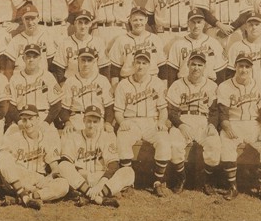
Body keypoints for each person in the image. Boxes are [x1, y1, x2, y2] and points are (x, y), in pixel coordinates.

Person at [216, 52, 261, 201]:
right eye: (241, 66)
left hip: (253, 124)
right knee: (226, 143)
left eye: (247, 66)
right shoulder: (224, 86)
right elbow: (222, 112)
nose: (244, 70)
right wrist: (226, 126)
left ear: (251, 68)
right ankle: (233, 187)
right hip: (233, 122)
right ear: (235, 67)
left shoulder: (260, 86)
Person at [113, 50, 171, 197]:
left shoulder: (157, 83)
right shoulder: (123, 84)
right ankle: (128, 183)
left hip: (152, 121)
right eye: (138, 62)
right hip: (131, 121)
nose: (140, 66)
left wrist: (161, 121)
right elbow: (118, 111)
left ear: (149, 65)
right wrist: (121, 122)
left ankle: (158, 182)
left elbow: (163, 109)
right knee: (122, 139)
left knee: (164, 140)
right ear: (133, 64)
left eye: (144, 63)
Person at [166, 51, 221, 195]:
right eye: (193, 64)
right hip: (183, 120)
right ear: (188, 65)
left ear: (204, 67)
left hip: (204, 120)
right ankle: (181, 177)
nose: (196, 68)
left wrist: (212, 125)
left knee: (214, 145)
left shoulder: (212, 86)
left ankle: (207, 180)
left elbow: (215, 111)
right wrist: (180, 125)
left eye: (200, 65)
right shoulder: (177, 84)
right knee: (173, 144)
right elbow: (171, 111)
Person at [0, 105, 69, 210]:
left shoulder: (47, 138)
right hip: (20, 178)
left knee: (64, 185)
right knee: (3, 156)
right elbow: (5, 164)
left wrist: (48, 178)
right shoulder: (14, 137)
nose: (28, 123)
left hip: (38, 179)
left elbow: (55, 169)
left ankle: (22, 199)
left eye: (31, 119)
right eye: (24, 120)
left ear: (38, 119)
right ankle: (28, 195)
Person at [58, 106, 132, 207]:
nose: (91, 125)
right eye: (88, 121)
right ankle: (98, 198)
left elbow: (113, 164)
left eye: (95, 122)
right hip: (81, 179)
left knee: (128, 172)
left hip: (100, 177)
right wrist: (82, 174)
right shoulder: (74, 136)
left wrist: (101, 184)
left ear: (100, 122)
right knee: (63, 166)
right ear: (83, 120)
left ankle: (89, 196)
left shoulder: (106, 137)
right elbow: (66, 161)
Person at [108, 6, 166, 91]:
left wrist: (164, 87)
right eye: (135, 20)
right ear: (130, 21)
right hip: (127, 82)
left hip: (152, 81)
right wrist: (115, 87)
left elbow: (162, 66)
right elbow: (115, 68)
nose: (138, 23)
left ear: (146, 20)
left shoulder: (155, 39)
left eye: (141, 19)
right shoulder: (121, 40)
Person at [58, 47, 114, 133]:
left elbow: (109, 106)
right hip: (77, 118)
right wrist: (67, 122)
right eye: (83, 60)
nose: (86, 64)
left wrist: (108, 123)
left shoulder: (103, 80)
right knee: (68, 137)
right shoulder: (70, 81)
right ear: (78, 61)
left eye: (89, 60)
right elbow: (63, 108)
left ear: (94, 62)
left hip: (97, 119)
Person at [165, 7, 226, 85]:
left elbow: (220, 72)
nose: (196, 25)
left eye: (199, 22)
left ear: (204, 23)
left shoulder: (214, 43)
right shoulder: (178, 44)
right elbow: (172, 73)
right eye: (193, 22)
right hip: (184, 85)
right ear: (188, 24)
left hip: (208, 85)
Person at [8, 44, 62, 129]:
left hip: (43, 117)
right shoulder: (15, 79)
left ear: (40, 58)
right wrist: (18, 121)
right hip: (22, 118)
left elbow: (57, 104)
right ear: (23, 59)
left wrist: (47, 122)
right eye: (28, 57)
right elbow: (10, 106)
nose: (31, 60)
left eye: (35, 57)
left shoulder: (48, 76)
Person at [51, 9, 110, 83]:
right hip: (71, 85)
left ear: (90, 24)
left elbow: (105, 68)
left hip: (93, 85)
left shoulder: (99, 42)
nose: (83, 26)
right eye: (80, 23)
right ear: (75, 23)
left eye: (86, 23)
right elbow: (59, 69)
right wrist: (63, 85)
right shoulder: (65, 43)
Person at [225, 11, 261, 86]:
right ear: (245, 27)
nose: (254, 27)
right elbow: (230, 74)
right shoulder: (236, 47)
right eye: (250, 25)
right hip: (245, 90)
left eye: (257, 24)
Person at [2, 3, 58, 76]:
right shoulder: (16, 40)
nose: (30, 22)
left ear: (38, 18)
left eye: (33, 18)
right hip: (20, 80)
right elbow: (9, 68)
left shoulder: (46, 38)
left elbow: (52, 67)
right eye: (27, 19)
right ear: (23, 20)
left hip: (40, 80)